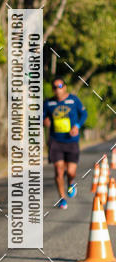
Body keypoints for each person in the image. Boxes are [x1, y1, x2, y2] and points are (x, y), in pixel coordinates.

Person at [43, 77, 87, 209]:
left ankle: (71, 182)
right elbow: (41, 116)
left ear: (65, 87)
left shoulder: (73, 100)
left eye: (60, 86)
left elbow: (84, 114)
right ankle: (62, 199)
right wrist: (44, 121)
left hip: (71, 141)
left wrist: (77, 126)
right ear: (53, 89)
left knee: (71, 171)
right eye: (55, 87)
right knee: (58, 170)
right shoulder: (49, 103)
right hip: (55, 142)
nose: (57, 89)